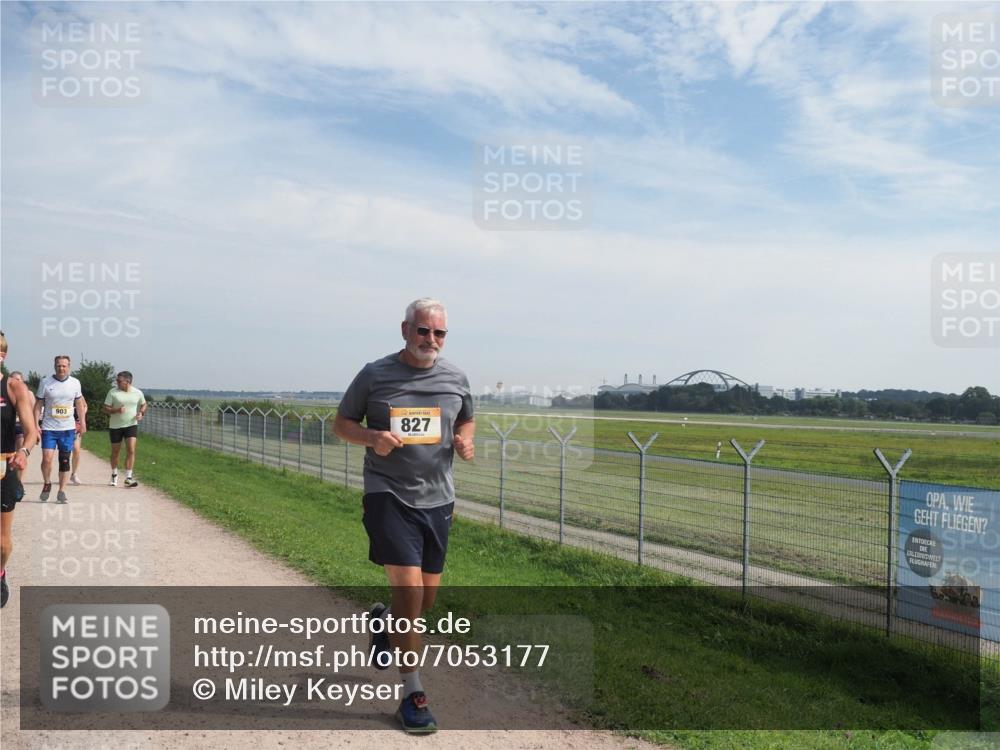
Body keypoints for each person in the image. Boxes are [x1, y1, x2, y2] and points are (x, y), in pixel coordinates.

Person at [334, 298, 475, 734]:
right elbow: (341, 423)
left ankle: (383, 624)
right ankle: (413, 693)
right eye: (423, 331)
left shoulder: (455, 377)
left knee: (423, 601)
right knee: (410, 592)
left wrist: (464, 440)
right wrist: (372, 436)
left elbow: (467, 419)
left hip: (439, 500)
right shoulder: (375, 374)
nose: (431, 340)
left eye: (439, 333)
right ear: (404, 330)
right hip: (388, 494)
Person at [1, 332, 41, 608]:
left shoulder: (13, 387)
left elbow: (31, 432)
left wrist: (24, 452)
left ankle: (0, 572)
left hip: (3, 468)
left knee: (2, 544)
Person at [35, 356, 87, 503]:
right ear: (54, 366)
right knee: (47, 459)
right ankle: (47, 483)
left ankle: (62, 491)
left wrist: (82, 422)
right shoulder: (45, 382)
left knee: (64, 460)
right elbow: (38, 404)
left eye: (64, 366)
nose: (61, 369)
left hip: (67, 428)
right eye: (59, 366)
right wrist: (35, 424)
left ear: (69, 366)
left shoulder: (75, 383)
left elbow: (79, 404)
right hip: (49, 427)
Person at [103, 371, 146, 487]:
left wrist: (141, 413)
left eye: (119, 381)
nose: (116, 382)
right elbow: (106, 408)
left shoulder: (137, 393)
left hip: (131, 424)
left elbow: (144, 404)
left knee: (131, 449)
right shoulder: (113, 392)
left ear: (128, 381)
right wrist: (116, 410)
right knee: (115, 452)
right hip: (115, 426)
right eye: (116, 380)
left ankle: (128, 477)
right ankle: (114, 474)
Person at [8, 372, 36, 482]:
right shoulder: (7, 391)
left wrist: (35, 429)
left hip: (21, 425)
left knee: (20, 450)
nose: (16, 382)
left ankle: (19, 481)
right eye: (14, 379)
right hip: (9, 426)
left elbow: (34, 412)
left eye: (18, 379)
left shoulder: (28, 394)